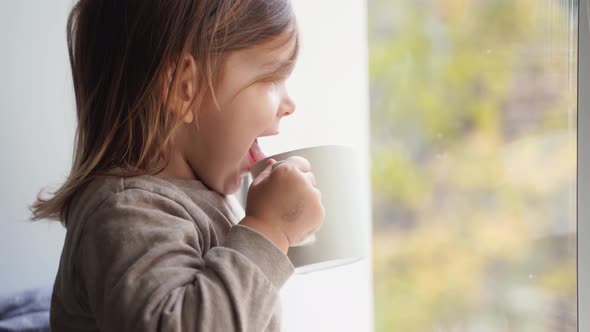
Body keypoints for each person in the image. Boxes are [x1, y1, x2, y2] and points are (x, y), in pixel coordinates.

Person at [30, 1, 325, 331]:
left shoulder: (194, 196)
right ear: (183, 87)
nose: (289, 104)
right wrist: (268, 230)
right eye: (272, 78)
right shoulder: (126, 212)